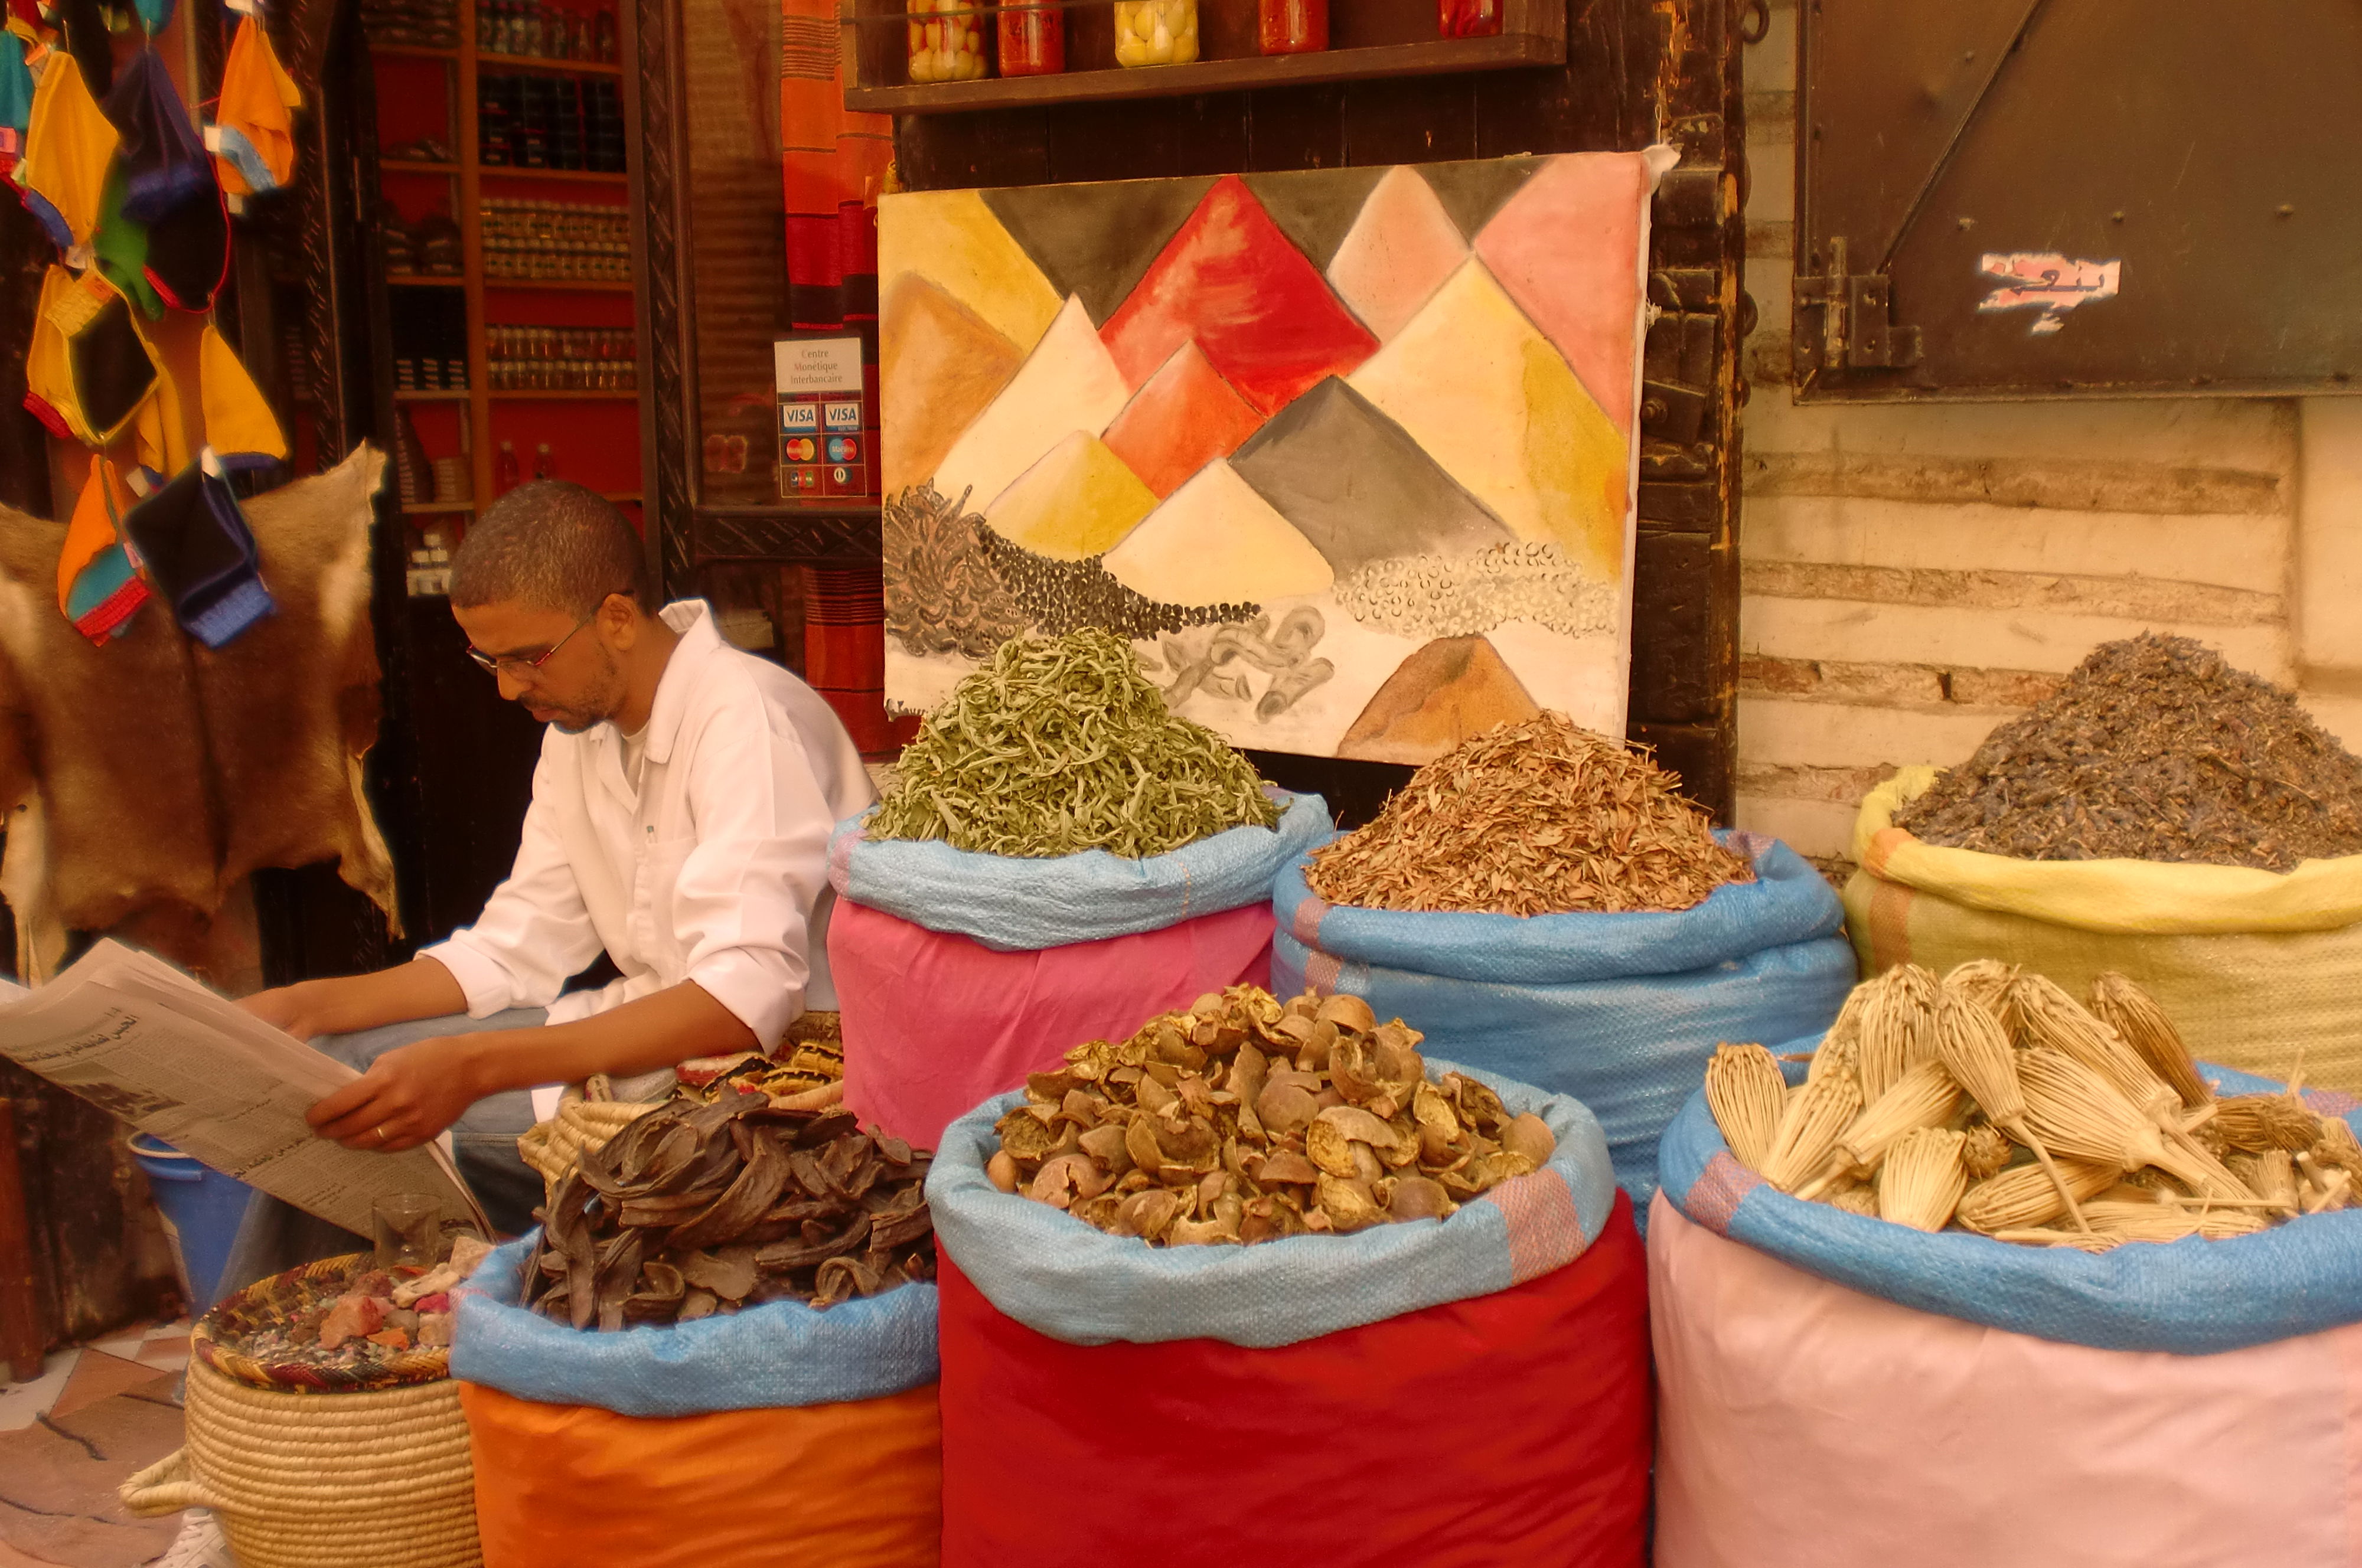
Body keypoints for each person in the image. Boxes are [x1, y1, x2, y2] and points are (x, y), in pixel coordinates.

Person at [221, 481, 873, 1283]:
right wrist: (310, 1003)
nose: (505, 688)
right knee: (327, 1063)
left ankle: (268, 1380)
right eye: (488, 660)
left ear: (616, 619)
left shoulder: (744, 719)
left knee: (340, 1123)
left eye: (526, 658)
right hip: (641, 1055)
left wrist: (477, 1068)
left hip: (764, 1100)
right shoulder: (578, 729)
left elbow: (743, 1003)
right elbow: (515, 947)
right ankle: (311, 1370)